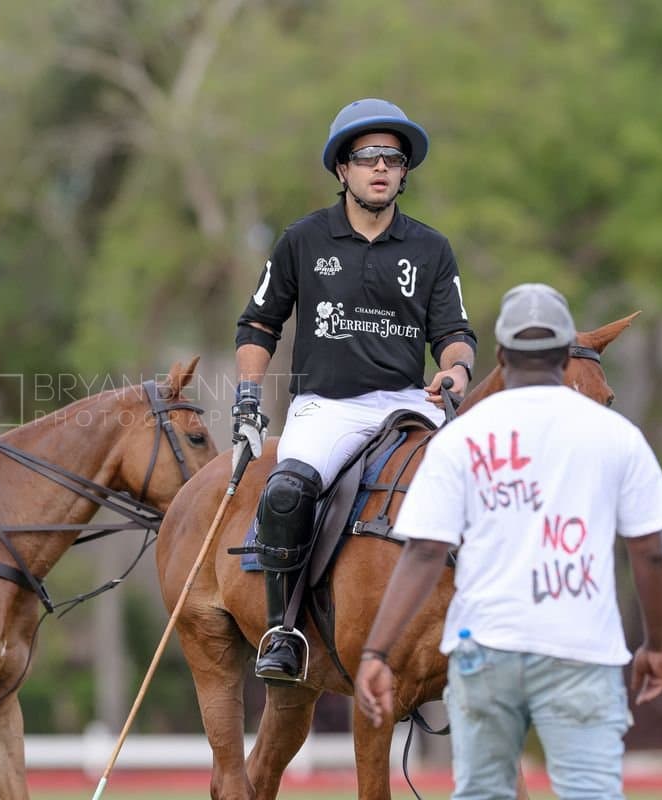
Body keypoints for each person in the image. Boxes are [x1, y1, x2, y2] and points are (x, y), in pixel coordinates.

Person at [354, 283, 662, 799]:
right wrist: (656, 646)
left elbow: (423, 554)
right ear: (566, 355)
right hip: (582, 651)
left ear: (501, 354)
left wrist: (375, 650)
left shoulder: (458, 439)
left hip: (485, 651)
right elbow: (651, 553)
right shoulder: (616, 436)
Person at [233, 98, 477, 682]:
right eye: (366, 157)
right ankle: (283, 632)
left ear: (403, 172)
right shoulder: (303, 239)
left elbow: (455, 333)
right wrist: (247, 395)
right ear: (342, 169)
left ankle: (491, 619)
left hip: (407, 403)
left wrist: (457, 371)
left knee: (483, 486)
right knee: (287, 491)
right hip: (328, 406)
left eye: (392, 158)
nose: (380, 168)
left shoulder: (430, 248)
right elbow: (260, 324)